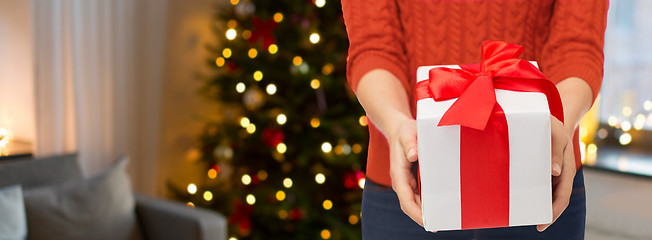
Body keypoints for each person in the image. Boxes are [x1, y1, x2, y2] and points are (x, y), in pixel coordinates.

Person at [341, 0, 608, 239]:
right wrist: (395, 122)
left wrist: (561, 120)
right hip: (410, 181)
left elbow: (579, 46)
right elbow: (373, 48)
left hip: (540, 171)